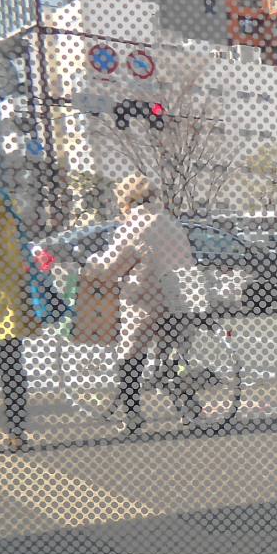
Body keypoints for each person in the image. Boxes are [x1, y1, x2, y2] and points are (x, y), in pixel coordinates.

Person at [81, 176, 196, 435]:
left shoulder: (134, 226)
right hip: (182, 299)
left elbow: (111, 268)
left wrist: (91, 262)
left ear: (127, 201)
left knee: (130, 356)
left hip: (146, 300)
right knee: (170, 359)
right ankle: (190, 408)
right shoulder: (170, 222)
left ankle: (132, 415)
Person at [0, 190, 34, 451]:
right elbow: (18, 251)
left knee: (12, 369)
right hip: (8, 299)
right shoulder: (5, 203)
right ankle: (16, 433)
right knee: (11, 369)